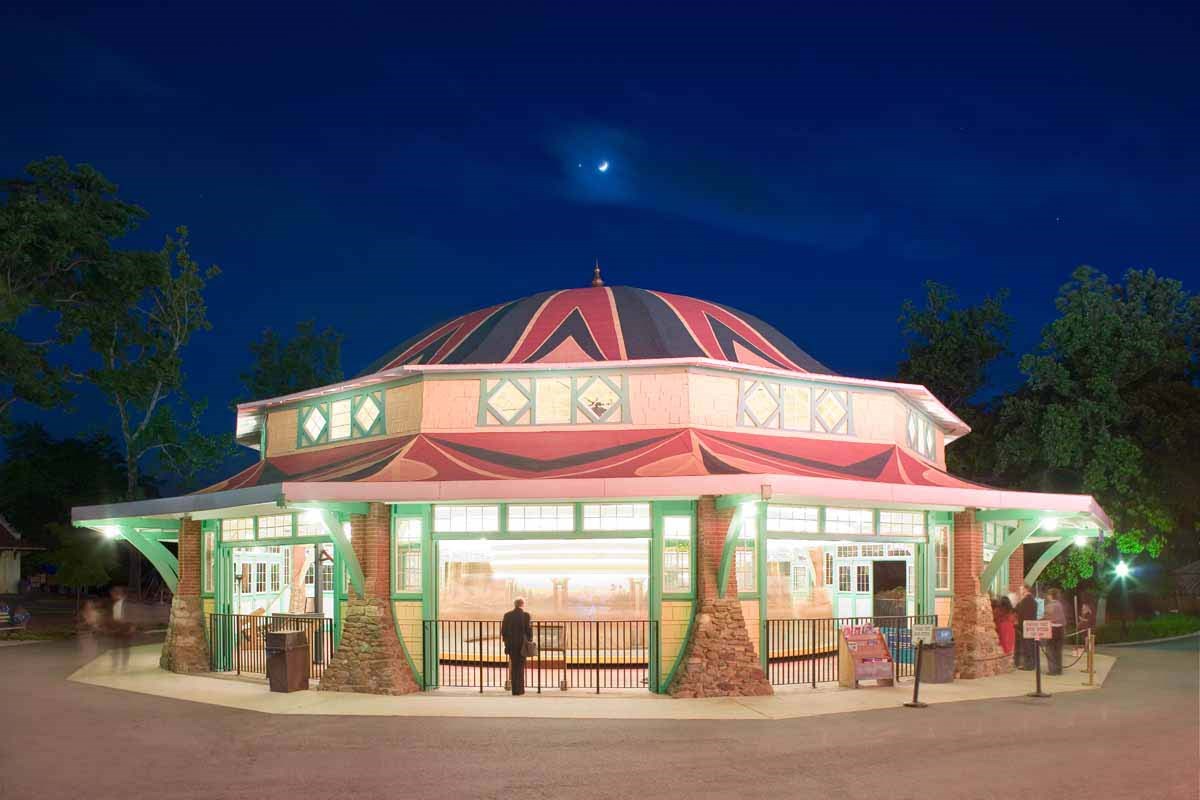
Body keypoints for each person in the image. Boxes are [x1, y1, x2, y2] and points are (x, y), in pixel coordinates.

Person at [500, 597, 533, 696]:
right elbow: (528, 630)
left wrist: (506, 643)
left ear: (514, 604)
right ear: (522, 604)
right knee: (521, 666)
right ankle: (520, 690)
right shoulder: (526, 615)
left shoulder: (507, 615)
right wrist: (529, 640)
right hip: (522, 644)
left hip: (511, 644)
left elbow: (504, 631)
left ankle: (515, 690)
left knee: (514, 666)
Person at [1015, 585, 1038, 670]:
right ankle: (1032, 664)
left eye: (1021, 589)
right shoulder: (1033, 601)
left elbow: (1019, 611)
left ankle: (1028, 665)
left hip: (1025, 626)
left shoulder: (1024, 601)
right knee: (1031, 646)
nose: (1020, 591)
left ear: (1026, 590)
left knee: (1027, 646)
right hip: (1032, 626)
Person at [1044, 588, 1066, 675]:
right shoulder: (1060, 604)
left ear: (1050, 596)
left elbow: (1046, 617)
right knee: (1058, 651)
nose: (1047, 596)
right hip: (1060, 629)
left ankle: (1052, 670)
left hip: (1052, 629)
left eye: (1048, 595)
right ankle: (1058, 669)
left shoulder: (1050, 605)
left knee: (1050, 650)